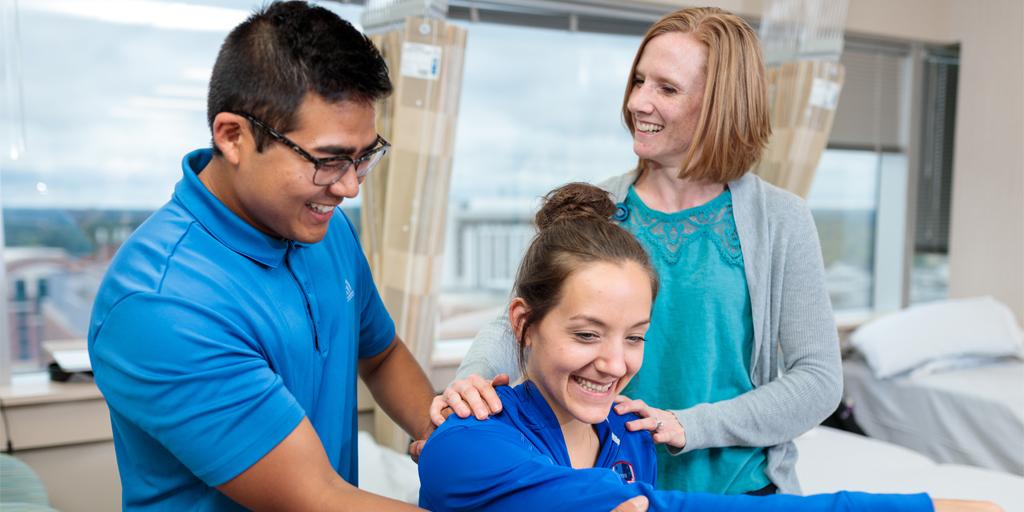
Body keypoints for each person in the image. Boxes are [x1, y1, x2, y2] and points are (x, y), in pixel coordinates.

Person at [431, 6, 839, 495]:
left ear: (721, 104)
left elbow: (818, 379)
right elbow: (517, 321)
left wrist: (689, 425)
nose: (638, 103)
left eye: (666, 88)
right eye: (639, 81)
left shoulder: (781, 221)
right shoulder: (596, 208)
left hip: (739, 490)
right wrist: (473, 383)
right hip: (611, 490)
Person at [418, 183, 1000, 512]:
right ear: (525, 323)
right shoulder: (465, 445)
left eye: (635, 337)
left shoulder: (626, 435)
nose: (616, 364)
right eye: (587, 334)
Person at [87, 3, 437, 510]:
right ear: (233, 136)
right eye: (329, 160)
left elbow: (380, 354)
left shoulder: (324, 227)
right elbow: (316, 497)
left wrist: (461, 444)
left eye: (364, 157)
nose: (348, 188)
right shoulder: (161, 304)